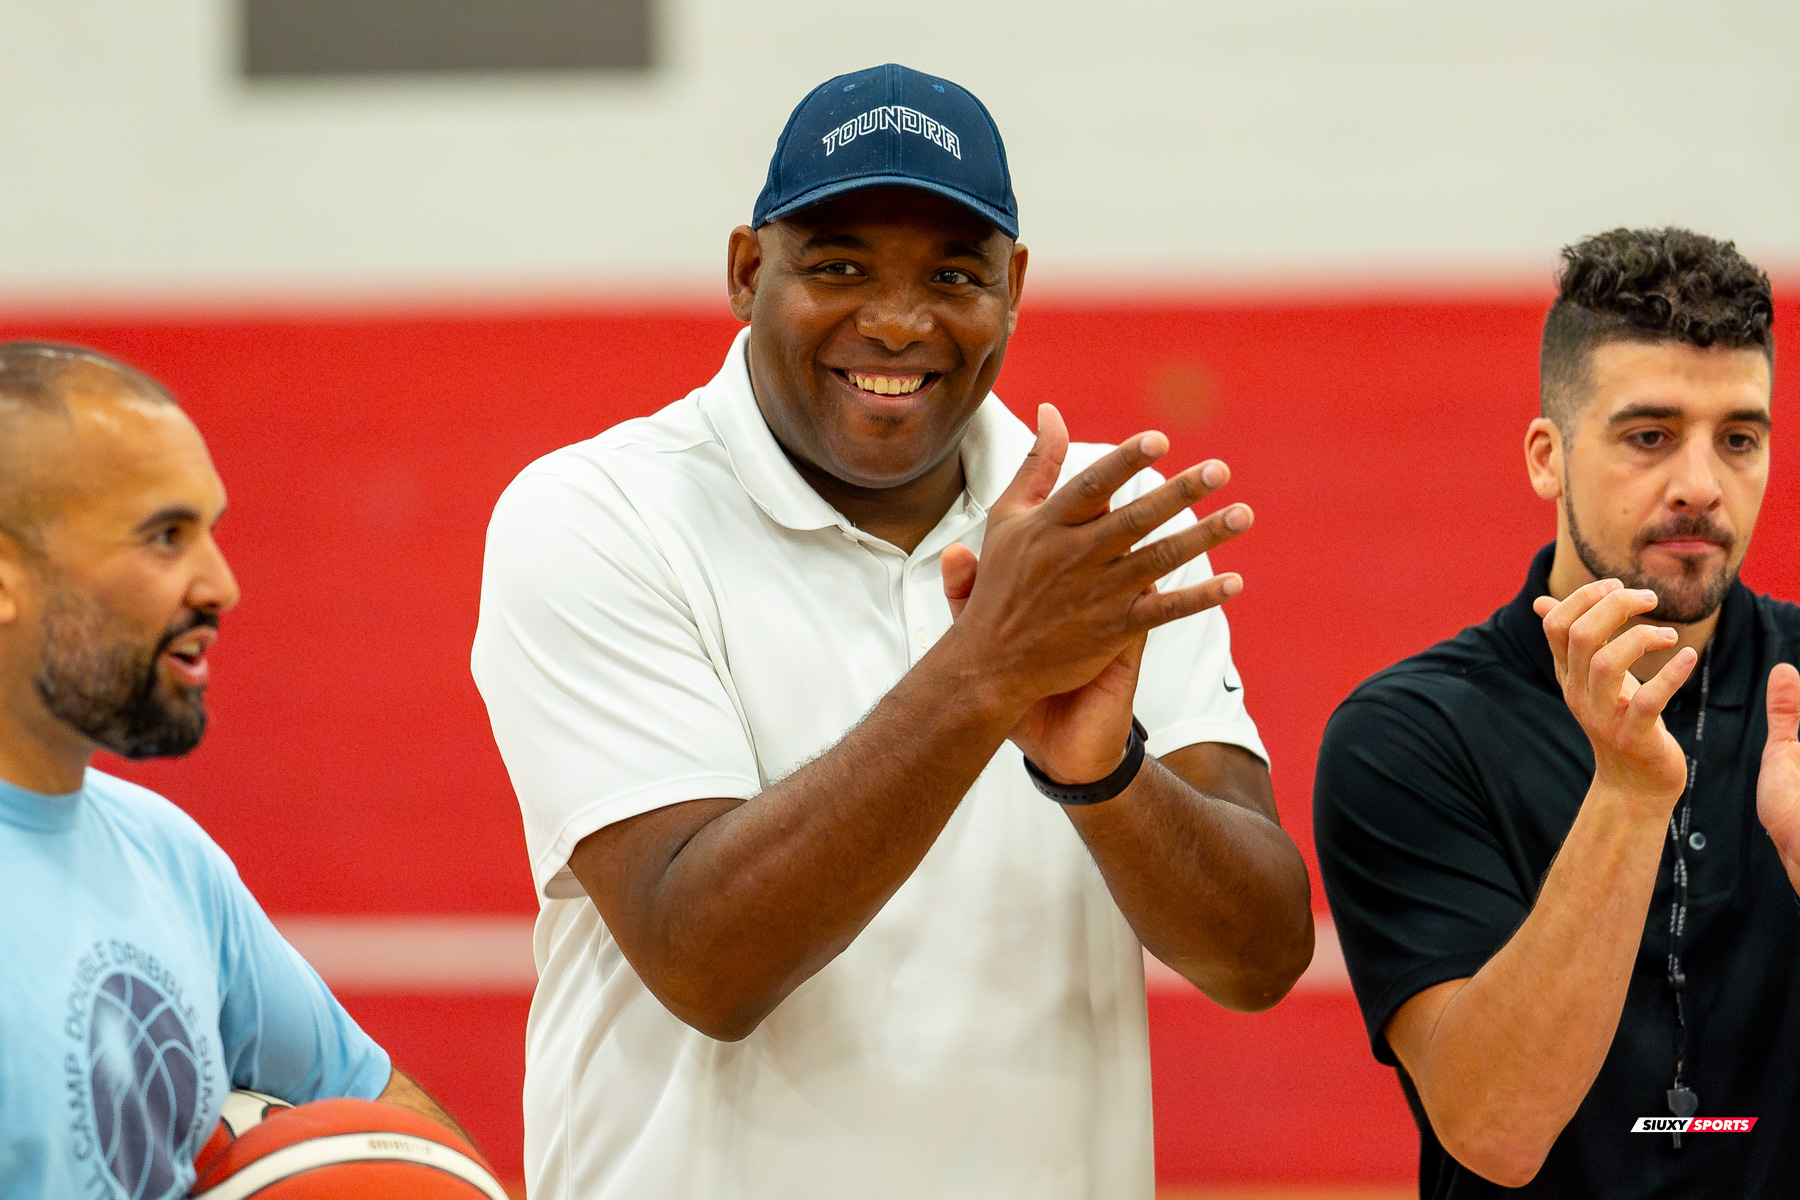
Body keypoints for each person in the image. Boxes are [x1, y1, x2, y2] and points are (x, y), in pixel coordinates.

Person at [473, 63, 1313, 1200]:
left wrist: (1108, 775)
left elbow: (1259, 957)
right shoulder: (599, 514)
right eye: (838, 267)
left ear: (1012, 288)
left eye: (954, 275)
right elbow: (707, 959)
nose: (898, 321)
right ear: (744, 271)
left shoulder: (1093, 536)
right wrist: (985, 673)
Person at [1314, 227, 1800, 1196]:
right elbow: (1495, 1129)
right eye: (1649, 436)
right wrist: (1627, 794)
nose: (1701, 486)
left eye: (1738, 439)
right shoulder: (1410, 735)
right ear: (1548, 456)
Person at [0, 342, 465, 1200]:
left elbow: (379, 1117)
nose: (222, 585)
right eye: (165, 536)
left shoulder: (165, 853)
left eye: (211, 531)